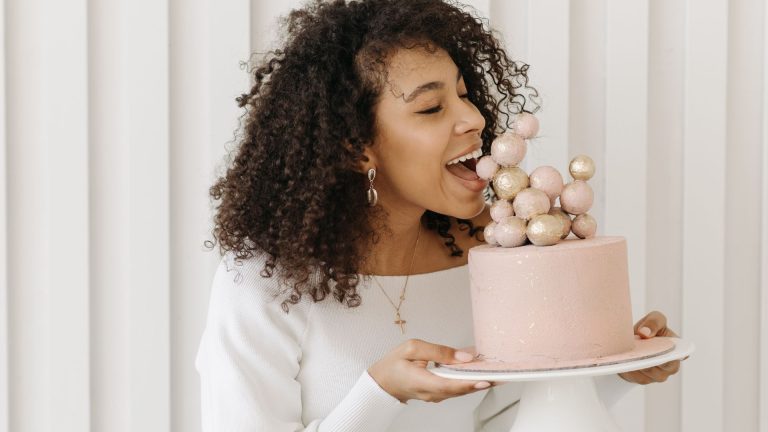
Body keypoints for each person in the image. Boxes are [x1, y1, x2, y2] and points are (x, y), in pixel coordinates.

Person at [196, 0, 683, 430]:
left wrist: (616, 374)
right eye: (431, 108)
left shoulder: (488, 254)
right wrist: (380, 394)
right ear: (356, 147)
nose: (474, 120)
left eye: (465, 94)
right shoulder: (264, 283)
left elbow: (502, 421)